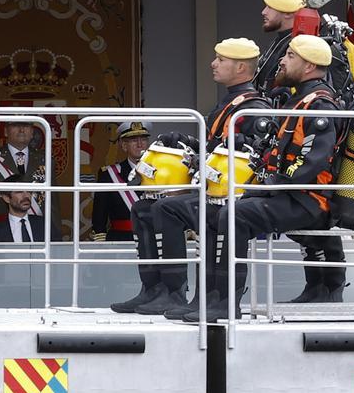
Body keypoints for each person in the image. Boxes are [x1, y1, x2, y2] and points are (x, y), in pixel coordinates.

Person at [182, 35, 344, 322]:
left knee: (234, 214)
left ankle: (228, 302)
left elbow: (310, 164)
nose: (282, 60)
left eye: (290, 57)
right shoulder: (298, 100)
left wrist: (268, 187)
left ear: (308, 66)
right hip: (287, 194)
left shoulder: (320, 106)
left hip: (306, 199)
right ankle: (211, 297)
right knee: (215, 211)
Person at [114, 38, 270, 316]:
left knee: (166, 208)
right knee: (142, 209)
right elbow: (215, 147)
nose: (213, 64)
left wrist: (203, 157)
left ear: (241, 67)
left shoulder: (254, 108)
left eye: (221, 60)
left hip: (236, 195)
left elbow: (252, 154)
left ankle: (177, 292)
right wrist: (185, 141)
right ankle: (154, 289)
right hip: (215, 190)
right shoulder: (230, 103)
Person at [254, 0, 354, 304]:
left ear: (287, 13)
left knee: (316, 212)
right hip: (291, 136)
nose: (264, 12)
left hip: (318, 141)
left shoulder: (317, 50)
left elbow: (331, 95)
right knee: (307, 221)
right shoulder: (285, 44)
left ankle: (330, 285)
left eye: (270, 7)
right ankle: (317, 285)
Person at [91, 121, 152, 243]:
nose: (140, 144)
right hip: (122, 240)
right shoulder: (109, 174)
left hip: (155, 237)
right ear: (124, 145)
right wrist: (100, 238)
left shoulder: (161, 171)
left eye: (143, 139)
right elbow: (99, 214)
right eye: (134, 140)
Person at [0, 120, 47, 228]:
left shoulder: (45, 159)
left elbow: (53, 202)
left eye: (26, 125)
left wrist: (55, 237)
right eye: (16, 125)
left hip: (37, 230)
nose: (21, 130)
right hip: (1, 230)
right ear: (6, 131)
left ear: (32, 132)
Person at [0, 176, 60, 242]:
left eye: (29, 191)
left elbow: (59, 252)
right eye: (19, 192)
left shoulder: (45, 225)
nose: (26, 196)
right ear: (6, 198)